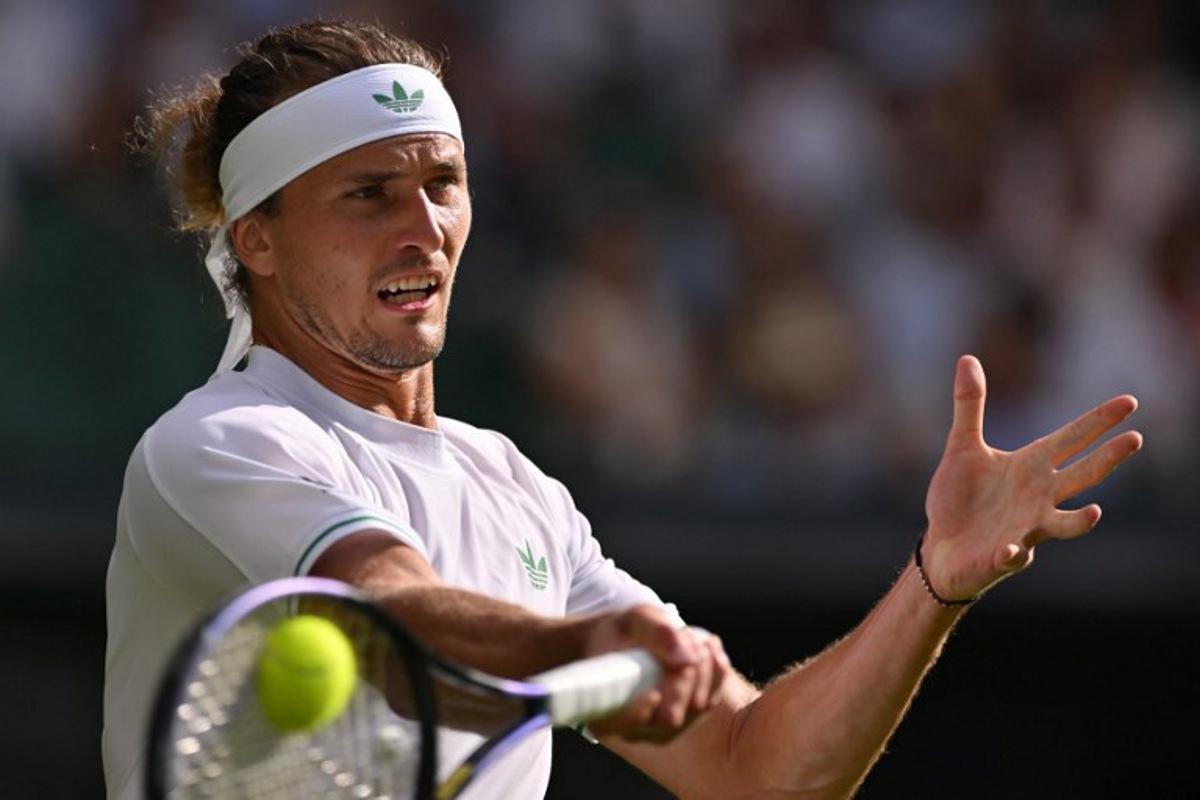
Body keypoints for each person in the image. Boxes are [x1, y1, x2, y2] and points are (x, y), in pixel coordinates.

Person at [103, 20, 1143, 800]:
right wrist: (584, 645)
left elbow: (754, 770)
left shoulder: (518, 492)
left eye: (443, 183)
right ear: (258, 239)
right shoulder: (214, 444)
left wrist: (935, 580)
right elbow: (389, 610)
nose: (423, 226)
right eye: (367, 193)